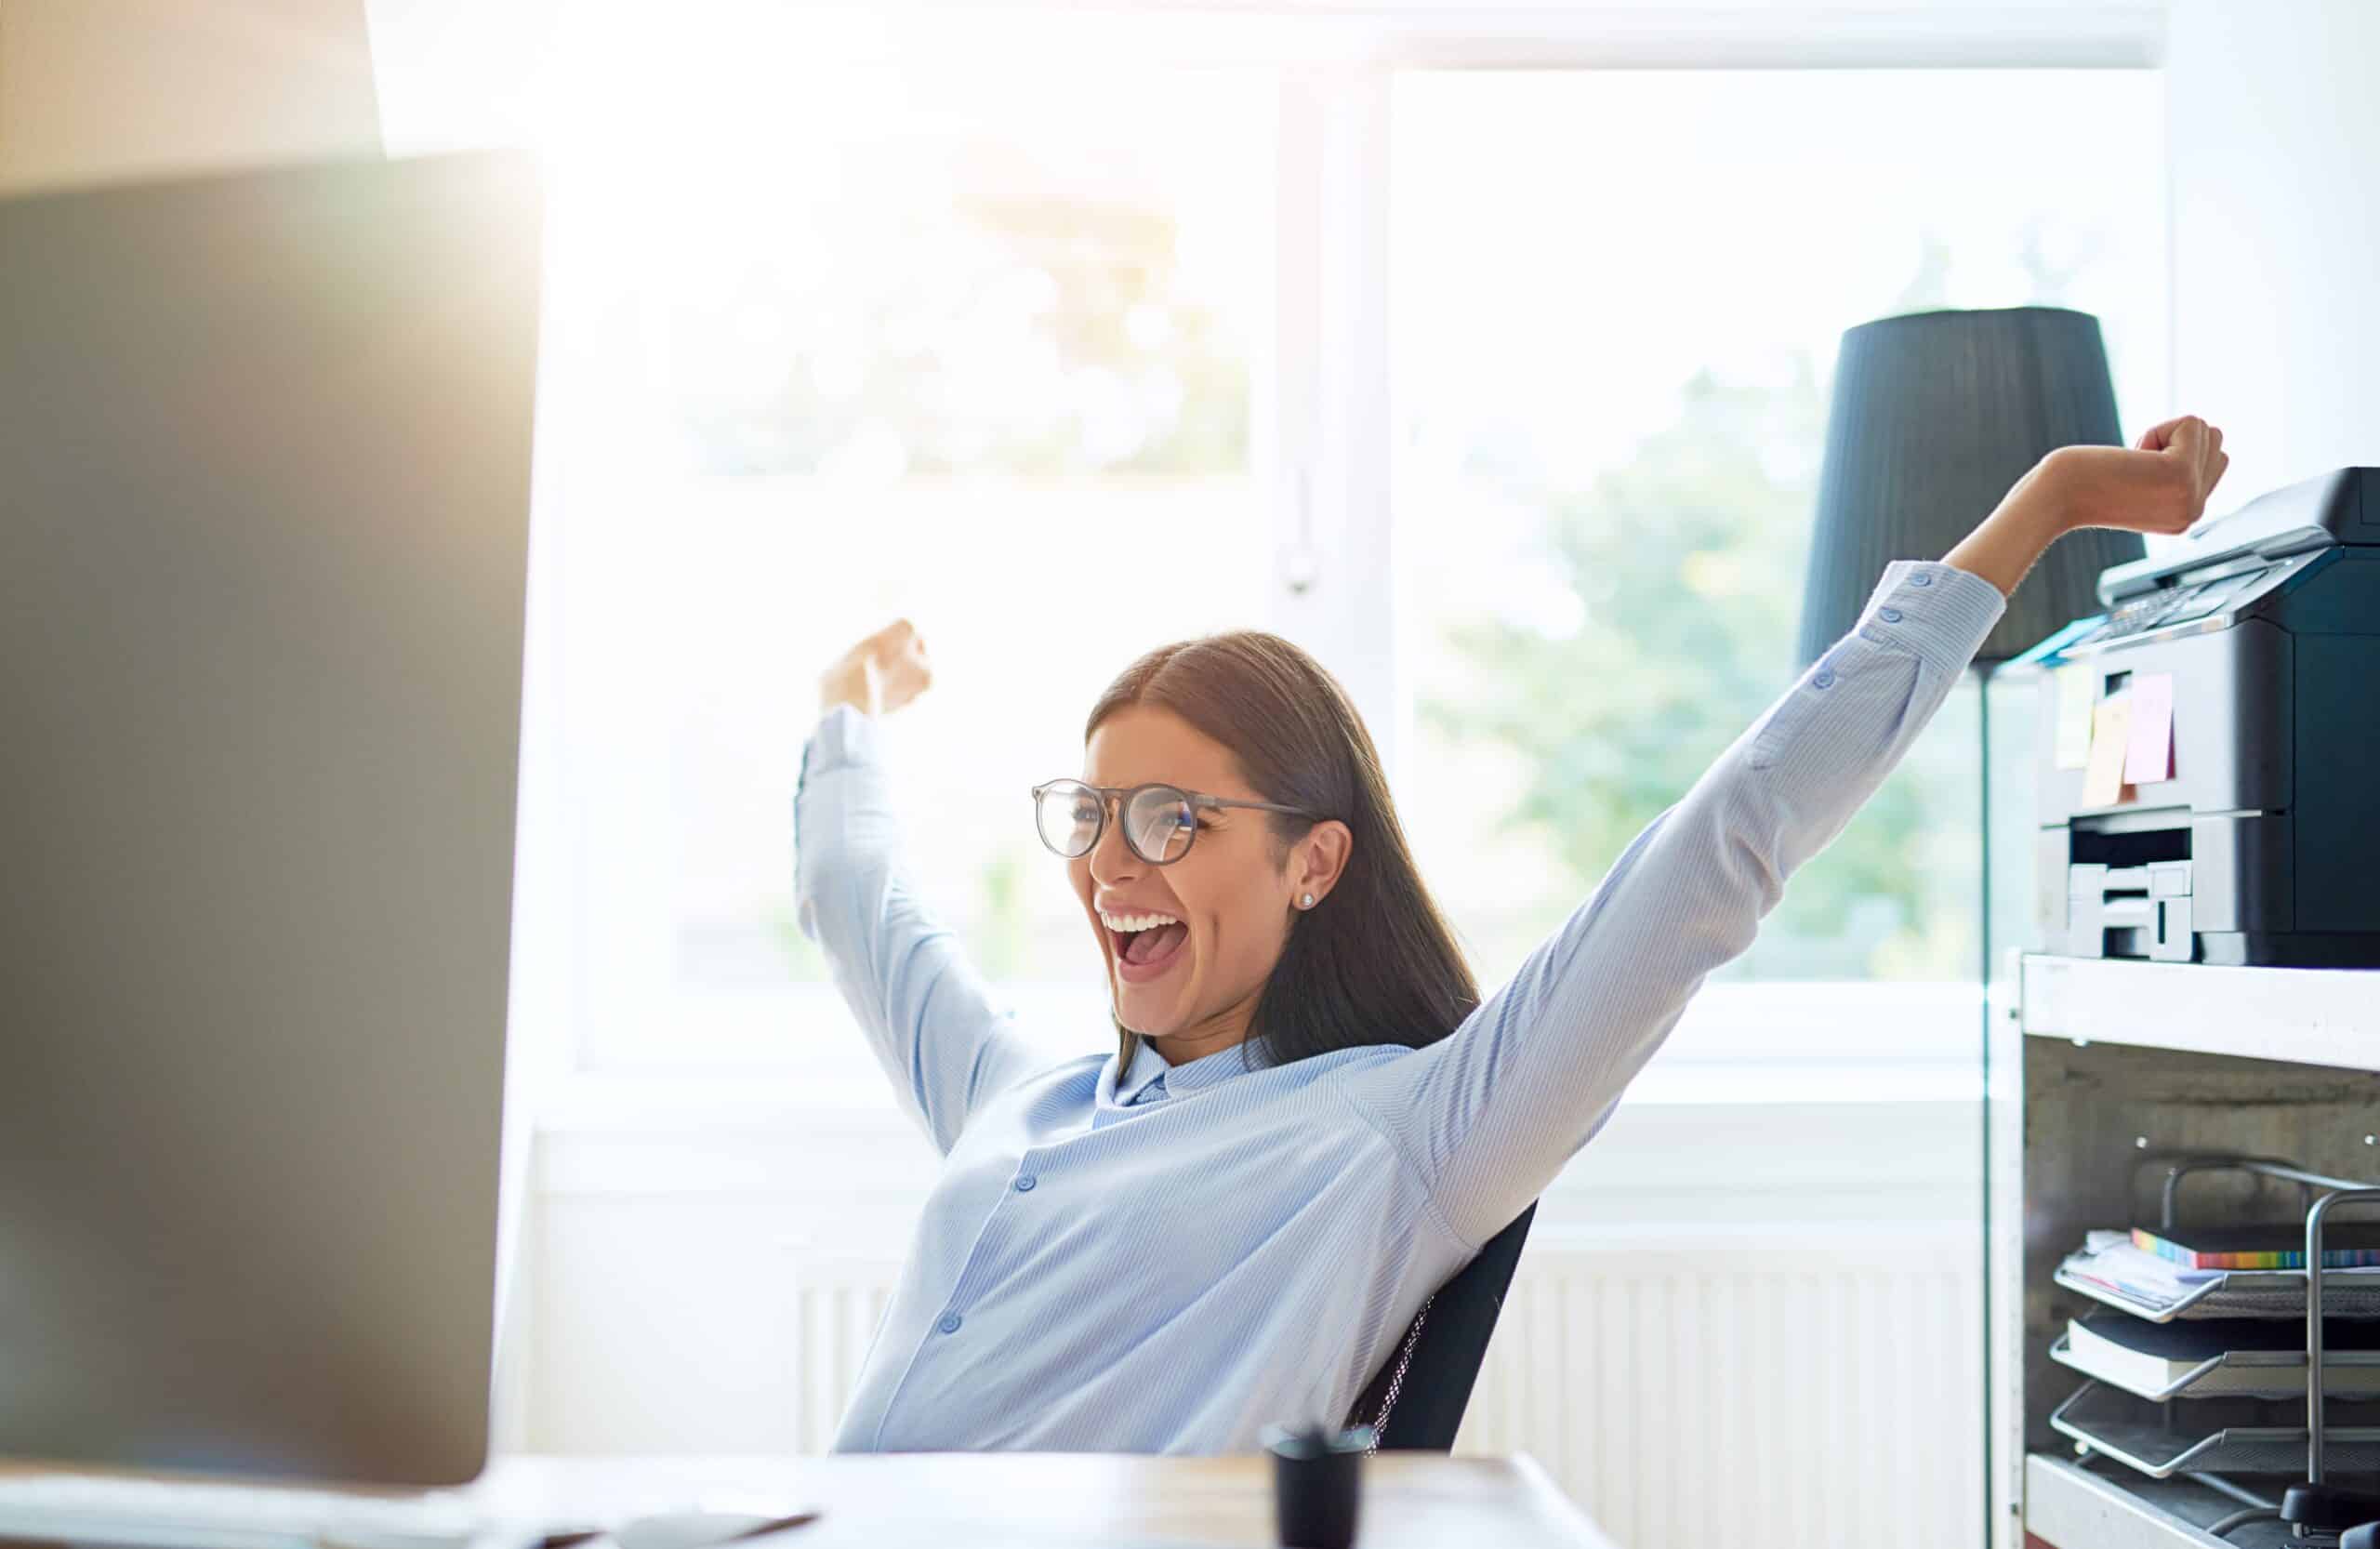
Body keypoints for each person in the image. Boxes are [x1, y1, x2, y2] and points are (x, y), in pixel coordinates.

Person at [795, 417, 2229, 1453]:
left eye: (1172, 817)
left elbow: (1713, 857)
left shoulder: (1390, 1137)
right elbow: (863, 906)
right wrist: (847, 704)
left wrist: (2037, 508)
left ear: (1314, 863)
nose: (1111, 862)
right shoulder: (1013, 1095)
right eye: (1092, 812)